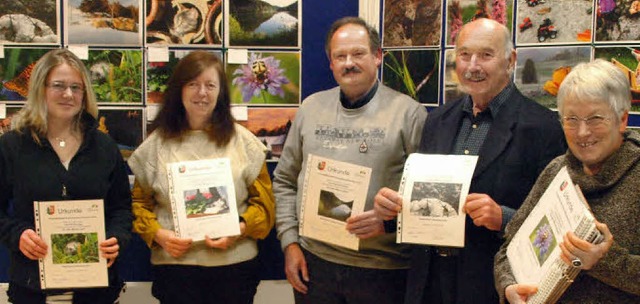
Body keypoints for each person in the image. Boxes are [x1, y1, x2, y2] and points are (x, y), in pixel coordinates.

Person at [373, 18, 567, 303]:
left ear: (510, 60)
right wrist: (392, 212)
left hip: (492, 284)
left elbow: (556, 222)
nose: (472, 66)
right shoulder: (438, 120)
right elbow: (424, 199)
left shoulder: (543, 127)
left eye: (486, 55)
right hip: (429, 284)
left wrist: (505, 219)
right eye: (464, 55)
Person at [273, 16, 428, 303]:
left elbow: (428, 195)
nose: (348, 63)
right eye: (339, 56)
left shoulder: (409, 114)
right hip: (315, 264)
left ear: (377, 56)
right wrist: (290, 243)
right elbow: (284, 180)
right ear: (330, 62)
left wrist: (389, 221)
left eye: (358, 53)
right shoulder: (310, 108)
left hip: (382, 270)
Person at [127, 51, 275, 303]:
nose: (202, 93)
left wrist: (238, 230)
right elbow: (139, 205)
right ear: (179, 90)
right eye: (193, 84)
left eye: (210, 85)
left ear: (220, 92)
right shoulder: (156, 145)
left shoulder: (244, 142)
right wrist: (159, 235)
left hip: (234, 270)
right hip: (176, 270)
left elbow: (266, 205)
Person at [495, 59, 640, 303]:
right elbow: (508, 249)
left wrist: (604, 261)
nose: (582, 132)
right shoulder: (556, 170)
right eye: (571, 120)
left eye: (595, 118)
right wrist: (509, 287)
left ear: (622, 119)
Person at [0, 49, 132, 303]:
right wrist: (18, 235)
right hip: (31, 289)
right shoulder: (12, 146)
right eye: (58, 86)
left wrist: (117, 237)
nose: (69, 94)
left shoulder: (104, 147)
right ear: (40, 88)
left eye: (76, 87)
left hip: (97, 291)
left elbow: (121, 209)